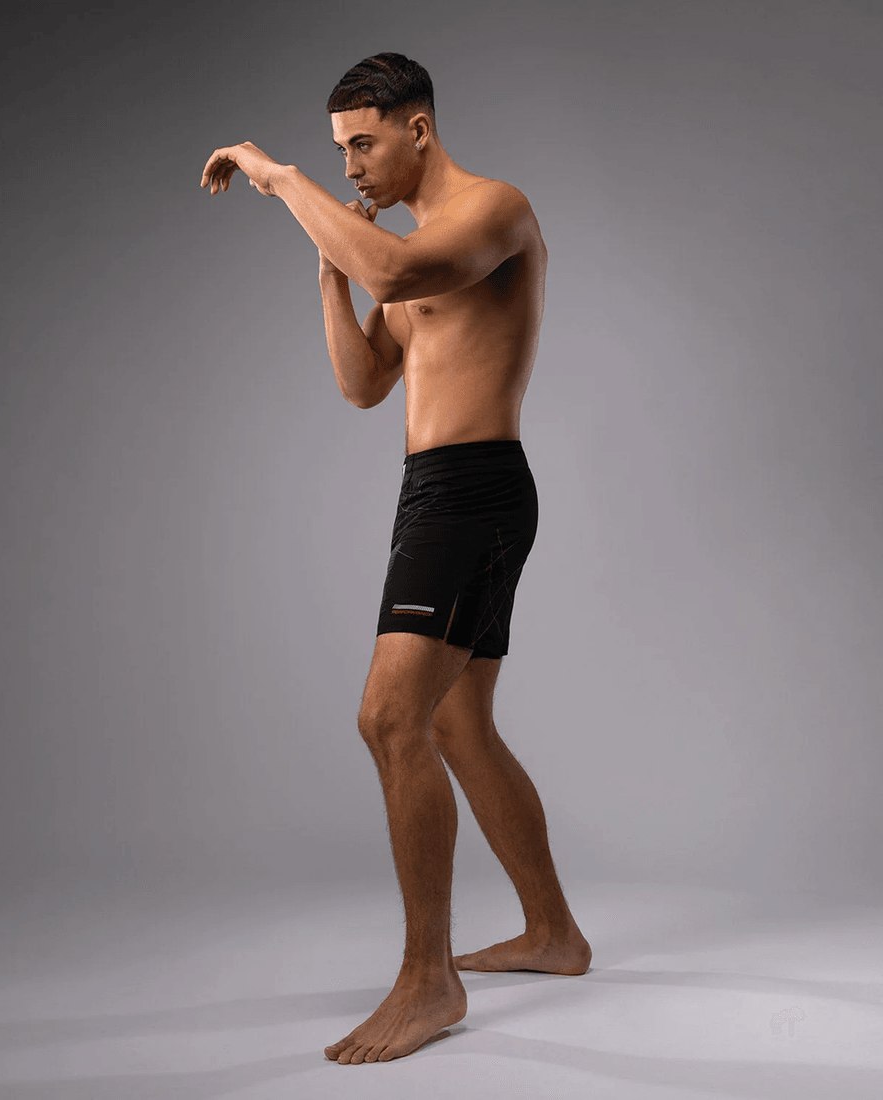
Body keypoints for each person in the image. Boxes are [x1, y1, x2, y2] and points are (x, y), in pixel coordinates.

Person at [200, 51, 590, 1066]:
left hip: (474, 492)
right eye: (337, 152)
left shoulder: (491, 213)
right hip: (434, 492)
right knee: (456, 723)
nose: (351, 168)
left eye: (362, 144)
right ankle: (552, 932)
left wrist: (280, 178)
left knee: (387, 718)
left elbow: (397, 273)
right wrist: (327, 270)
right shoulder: (407, 247)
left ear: (417, 128)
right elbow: (364, 381)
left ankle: (428, 979)